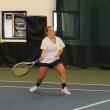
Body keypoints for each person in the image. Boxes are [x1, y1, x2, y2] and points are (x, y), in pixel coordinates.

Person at [29, 26, 71, 95]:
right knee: (40, 77)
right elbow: (43, 50)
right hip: (46, 61)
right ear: (47, 33)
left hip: (55, 60)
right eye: (51, 31)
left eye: (53, 30)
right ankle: (36, 86)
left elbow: (61, 48)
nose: (53, 32)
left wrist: (58, 54)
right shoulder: (45, 40)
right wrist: (42, 55)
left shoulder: (58, 39)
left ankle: (64, 88)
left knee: (63, 72)